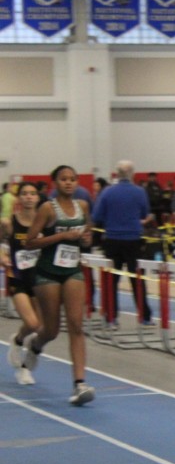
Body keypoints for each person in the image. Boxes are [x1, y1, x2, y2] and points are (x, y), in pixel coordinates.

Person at [22, 165, 96, 406]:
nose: (69, 183)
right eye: (64, 179)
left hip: (72, 270)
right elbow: (29, 242)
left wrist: (86, 239)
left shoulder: (83, 206)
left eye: (73, 179)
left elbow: (87, 235)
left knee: (76, 325)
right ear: (55, 182)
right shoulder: (47, 208)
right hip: (47, 273)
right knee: (51, 330)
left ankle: (79, 384)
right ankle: (35, 345)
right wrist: (61, 236)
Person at [90, 160, 155, 327]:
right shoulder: (140, 192)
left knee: (111, 280)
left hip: (112, 240)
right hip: (134, 240)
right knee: (138, 279)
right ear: (132, 174)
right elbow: (144, 214)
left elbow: (97, 216)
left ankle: (111, 317)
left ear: (116, 174)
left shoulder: (107, 192)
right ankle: (145, 317)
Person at [2, 181, 43, 385]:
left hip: (40, 280)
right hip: (17, 278)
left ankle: (24, 366)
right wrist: (2, 256)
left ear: (37, 198)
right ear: (19, 198)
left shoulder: (44, 222)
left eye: (32, 193)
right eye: (24, 193)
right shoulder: (9, 222)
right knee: (32, 323)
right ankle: (18, 342)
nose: (28, 197)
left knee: (41, 329)